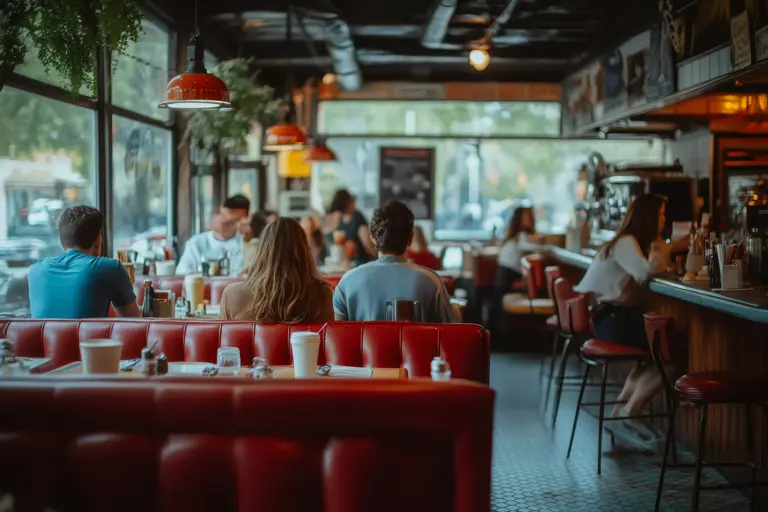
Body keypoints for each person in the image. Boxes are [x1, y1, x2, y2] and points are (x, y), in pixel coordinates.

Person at [574, 194, 688, 450]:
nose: (663, 220)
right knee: (673, 350)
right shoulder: (626, 242)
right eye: (660, 215)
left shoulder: (629, 242)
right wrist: (668, 246)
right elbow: (645, 272)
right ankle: (631, 412)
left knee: (653, 353)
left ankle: (618, 416)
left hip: (611, 317)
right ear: (648, 218)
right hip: (611, 319)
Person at [333, 201, 456, 323]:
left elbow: (336, 337)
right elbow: (451, 331)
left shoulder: (347, 282)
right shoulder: (432, 282)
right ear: (410, 238)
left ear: (373, 238)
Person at [28, 206, 140, 319]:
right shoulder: (110, 268)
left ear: (61, 242)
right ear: (98, 241)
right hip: (90, 337)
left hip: (43, 337)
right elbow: (133, 320)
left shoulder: (36, 271)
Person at [219, 217, 334, 322]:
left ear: (262, 251)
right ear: (304, 252)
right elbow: (327, 341)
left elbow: (224, 342)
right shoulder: (323, 294)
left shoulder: (232, 294)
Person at [176, 195, 250, 275]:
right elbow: (182, 273)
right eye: (221, 216)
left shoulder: (247, 244)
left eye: (233, 222)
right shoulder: (196, 242)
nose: (223, 222)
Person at [321, 189, 376, 266]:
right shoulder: (356, 217)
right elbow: (367, 244)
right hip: (357, 263)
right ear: (348, 202)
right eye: (353, 201)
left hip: (330, 264)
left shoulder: (326, 217)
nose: (354, 205)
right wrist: (378, 257)